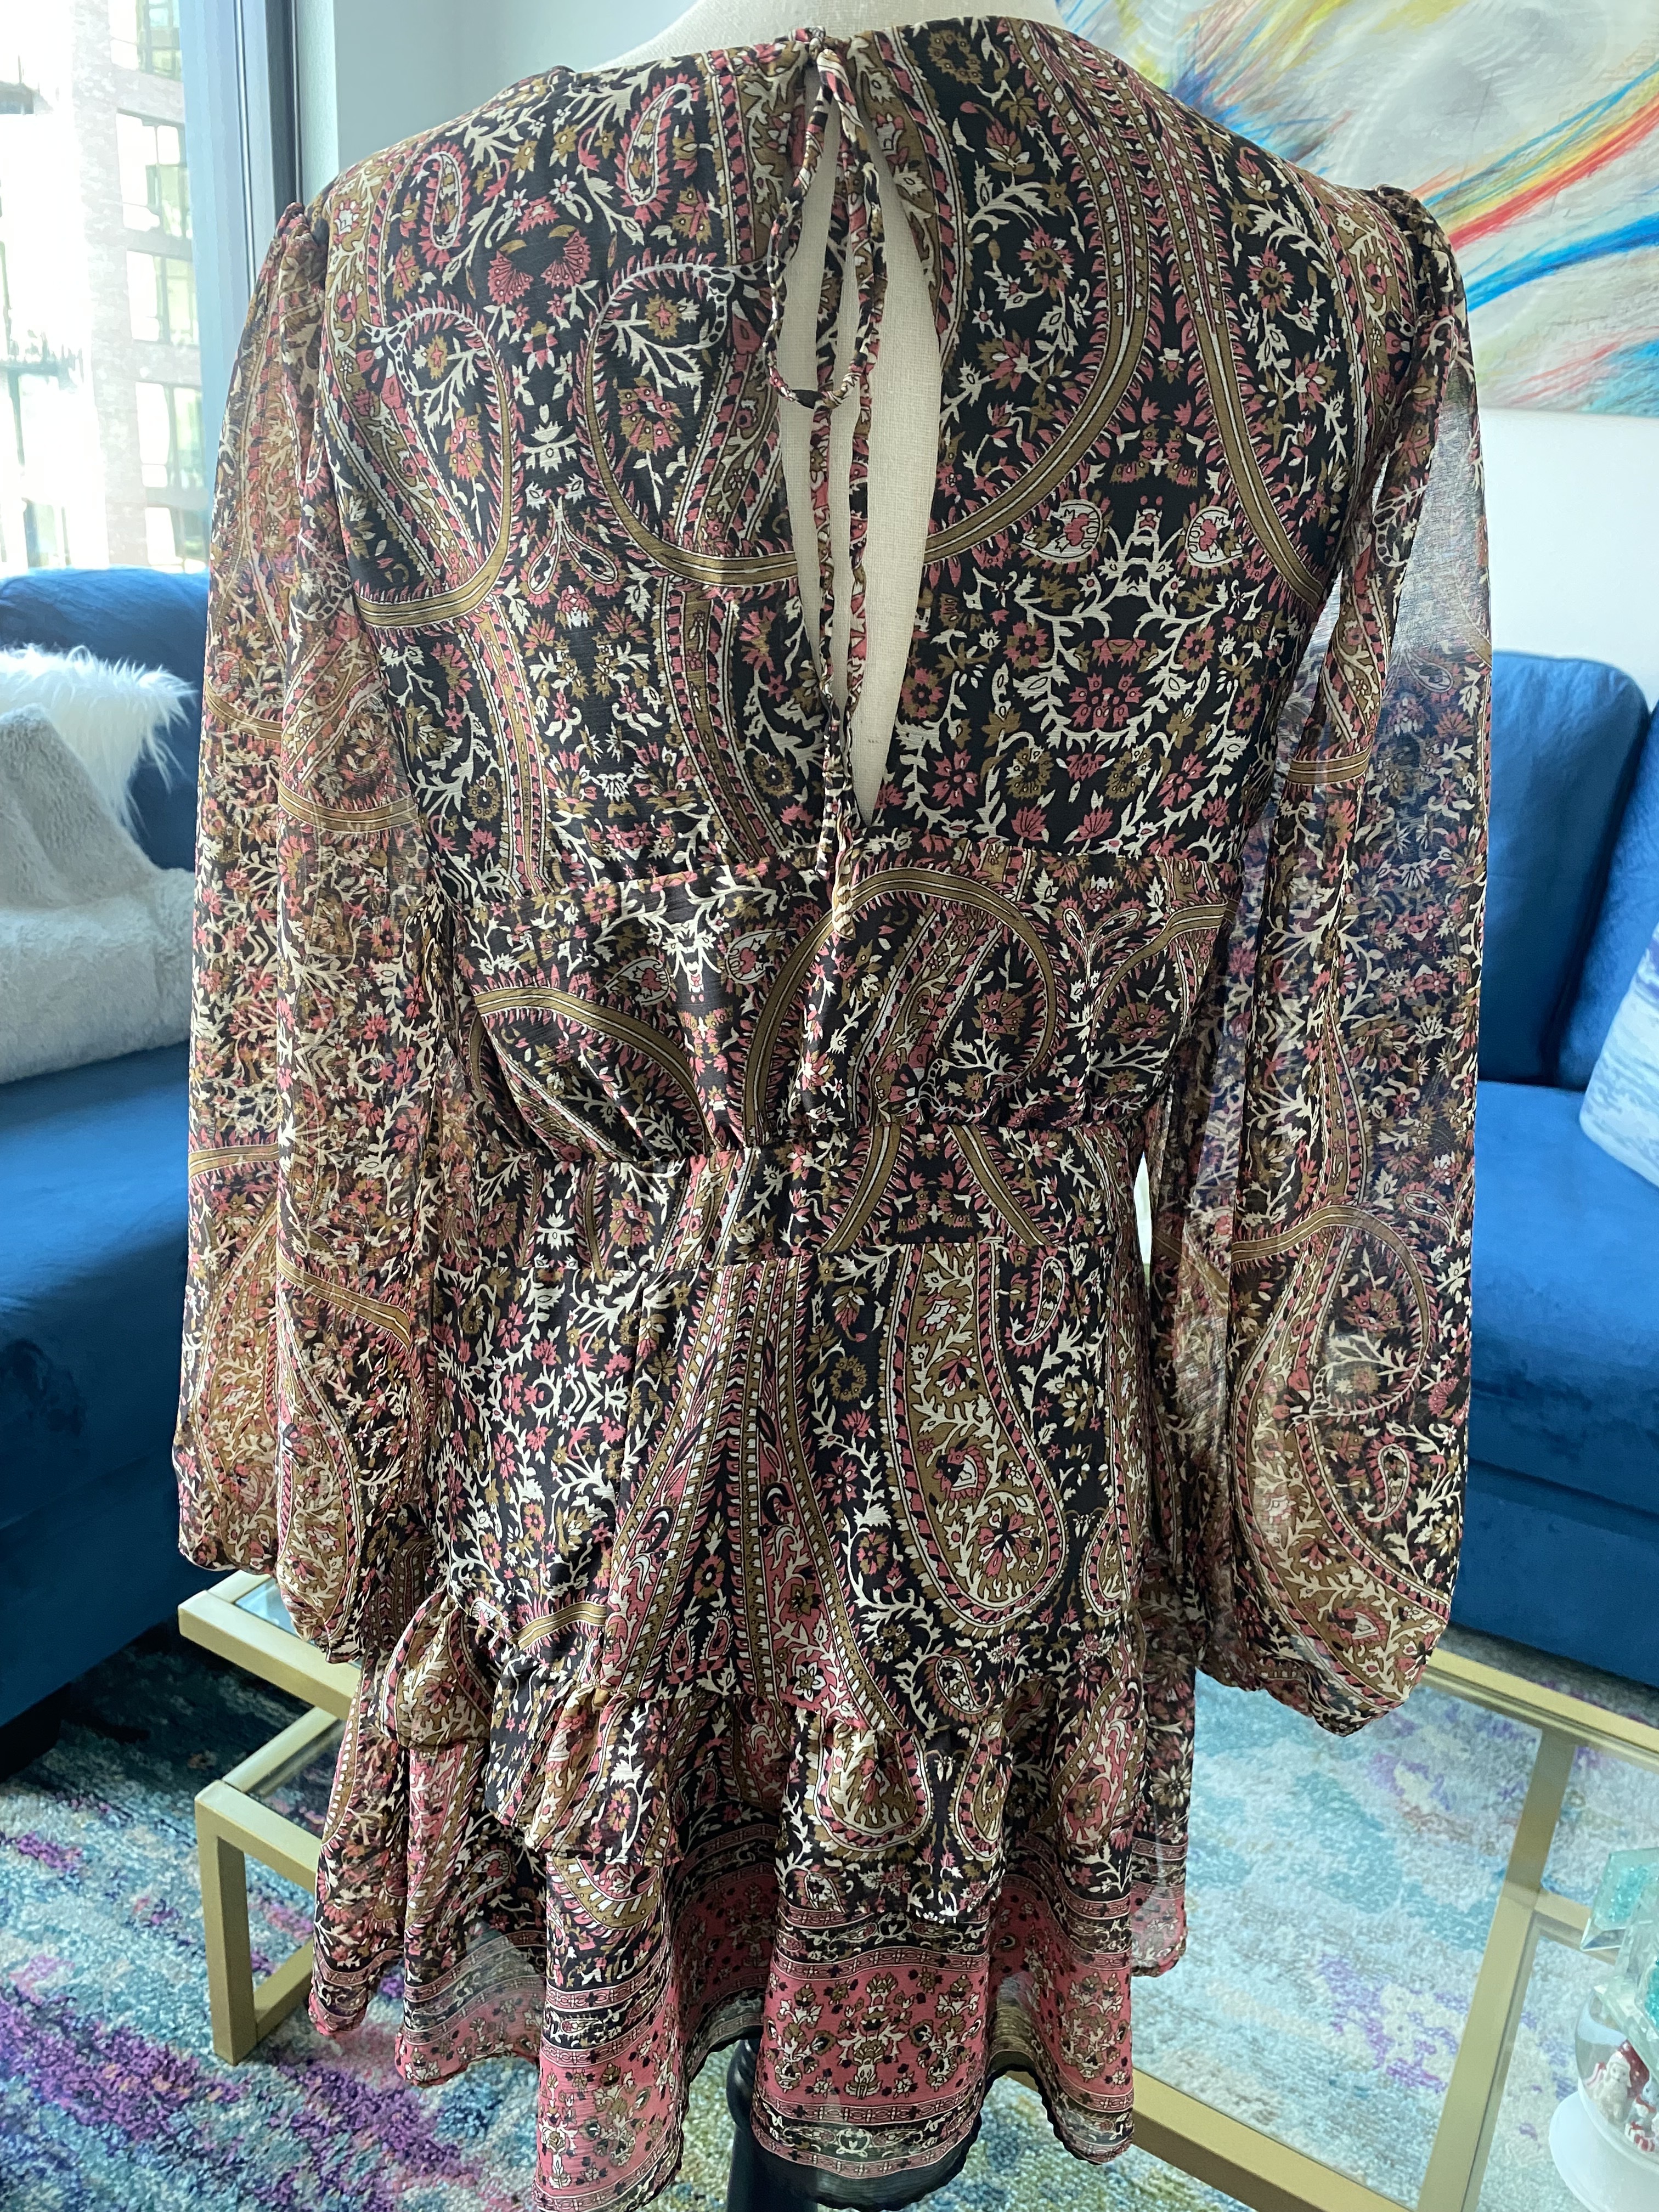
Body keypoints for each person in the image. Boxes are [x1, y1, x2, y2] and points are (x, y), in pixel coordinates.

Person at [175, 10, 1491, 2210]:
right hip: (978, 1419)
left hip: (612, 1406)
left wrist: (350, 1447)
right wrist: (1260, 1469)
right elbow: (1341, 980)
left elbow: (333, 960)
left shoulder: (398, 255)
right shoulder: (1318, 285)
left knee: (798, 2064)